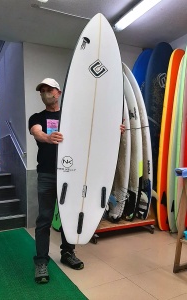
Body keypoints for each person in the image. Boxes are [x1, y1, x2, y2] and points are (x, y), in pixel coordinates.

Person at [29, 78, 125, 284]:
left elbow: (93, 133)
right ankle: (41, 261)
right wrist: (48, 137)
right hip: (47, 174)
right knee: (44, 219)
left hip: (71, 173)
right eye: (42, 90)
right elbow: (37, 132)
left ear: (58, 92)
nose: (45, 93)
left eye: (49, 89)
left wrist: (114, 131)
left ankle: (67, 253)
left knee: (69, 217)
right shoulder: (37, 117)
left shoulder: (73, 116)